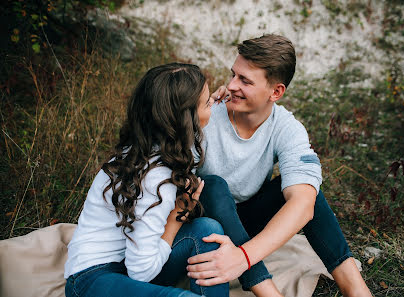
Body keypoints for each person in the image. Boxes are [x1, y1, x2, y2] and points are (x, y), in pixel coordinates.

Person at [185, 35, 373, 297]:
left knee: (308, 191)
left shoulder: (286, 128)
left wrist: (243, 256)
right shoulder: (207, 114)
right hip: (204, 221)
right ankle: (268, 291)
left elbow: (303, 205)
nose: (231, 85)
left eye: (245, 81)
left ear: (276, 92)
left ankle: (357, 291)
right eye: (233, 75)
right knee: (214, 186)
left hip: (247, 221)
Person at [64, 63, 229, 297]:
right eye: (207, 104)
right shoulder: (155, 177)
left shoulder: (146, 149)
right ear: (186, 121)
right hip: (92, 279)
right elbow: (141, 272)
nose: (212, 107)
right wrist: (176, 217)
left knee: (207, 231)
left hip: (130, 264)